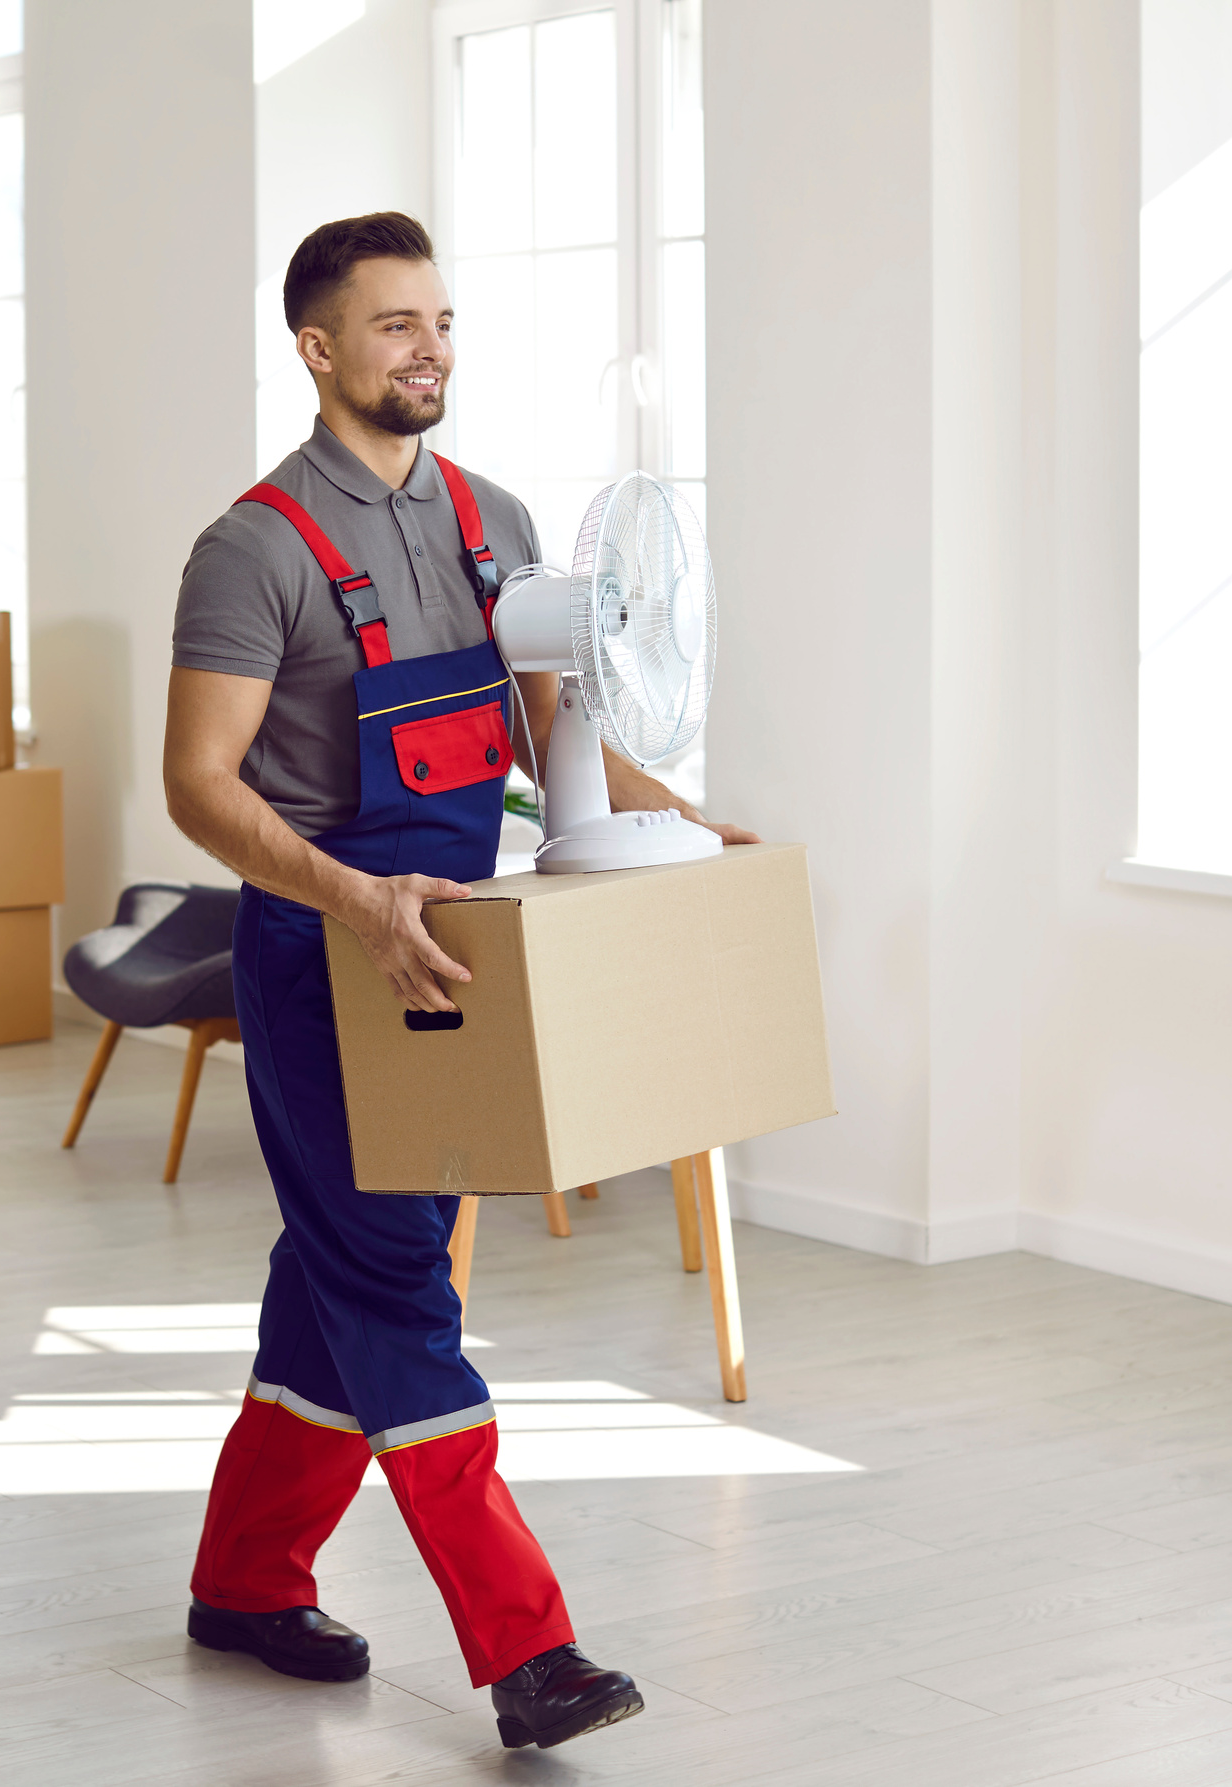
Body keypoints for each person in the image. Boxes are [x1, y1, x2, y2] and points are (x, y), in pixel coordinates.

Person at [163, 214, 756, 1752]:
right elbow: (197, 785)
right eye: (393, 326)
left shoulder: (495, 518)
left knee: (341, 1277)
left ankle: (243, 1582)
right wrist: (351, 897)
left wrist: (676, 824)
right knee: (394, 1284)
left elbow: (547, 729)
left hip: (457, 945)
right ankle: (527, 1649)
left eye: (440, 321)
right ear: (317, 350)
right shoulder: (252, 550)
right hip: (319, 952)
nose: (428, 350)